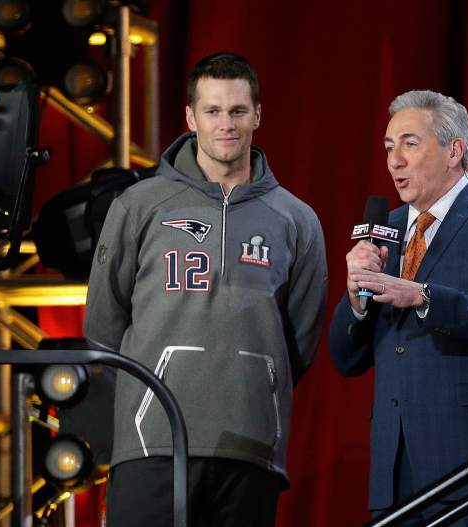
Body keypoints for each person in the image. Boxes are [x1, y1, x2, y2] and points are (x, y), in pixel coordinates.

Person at [84, 51, 327, 526]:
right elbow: (103, 325)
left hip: (250, 444)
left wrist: (254, 381)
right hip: (150, 439)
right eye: (212, 111)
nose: (226, 124)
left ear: (258, 114)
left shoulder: (297, 220)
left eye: (238, 110)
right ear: (191, 117)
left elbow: (301, 338)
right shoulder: (140, 205)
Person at [328, 90, 468, 526]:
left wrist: (423, 295)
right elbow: (346, 359)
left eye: (410, 143)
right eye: (389, 147)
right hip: (396, 468)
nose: (394, 160)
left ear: (453, 150)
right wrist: (356, 299)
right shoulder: (385, 228)